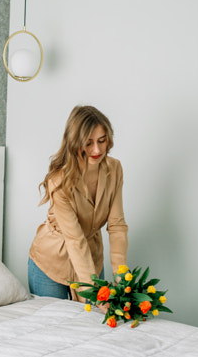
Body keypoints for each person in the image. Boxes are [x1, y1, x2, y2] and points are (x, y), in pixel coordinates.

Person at [28, 105, 128, 301]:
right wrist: (95, 292)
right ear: (75, 143)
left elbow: (117, 226)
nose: (97, 150)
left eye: (102, 140)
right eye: (88, 143)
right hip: (51, 263)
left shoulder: (114, 169)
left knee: (92, 325)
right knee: (51, 328)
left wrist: (122, 278)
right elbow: (75, 240)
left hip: (91, 258)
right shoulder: (59, 181)